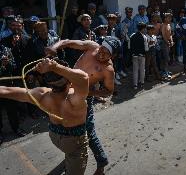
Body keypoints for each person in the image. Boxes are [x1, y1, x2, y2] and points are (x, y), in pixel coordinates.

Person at [0, 58, 89, 175]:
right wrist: (55, 67)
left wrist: (54, 68)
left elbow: (5, 90)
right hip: (74, 142)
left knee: (68, 153)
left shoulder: (41, 94)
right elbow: (84, 77)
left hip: (55, 137)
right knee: (73, 158)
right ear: (70, 81)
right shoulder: (75, 97)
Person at [45, 37, 121, 175]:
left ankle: (102, 162)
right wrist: (54, 47)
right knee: (65, 124)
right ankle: (72, 153)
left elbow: (109, 91)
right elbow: (68, 42)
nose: (101, 54)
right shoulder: (92, 46)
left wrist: (89, 92)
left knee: (89, 132)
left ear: (113, 56)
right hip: (66, 90)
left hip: (84, 98)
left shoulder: (108, 70)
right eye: (101, 49)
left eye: (107, 53)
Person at [0, 44, 25, 145]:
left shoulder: (6, 49)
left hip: (8, 86)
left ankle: (16, 128)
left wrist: (8, 63)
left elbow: (14, 66)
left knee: (12, 110)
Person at [130, 22, 148, 89]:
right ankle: (142, 82)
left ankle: (135, 85)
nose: (145, 30)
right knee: (142, 69)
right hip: (142, 55)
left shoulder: (132, 35)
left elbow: (130, 46)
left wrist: (132, 53)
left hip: (134, 55)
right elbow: (146, 48)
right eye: (145, 28)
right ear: (143, 29)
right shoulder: (144, 37)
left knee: (135, 70)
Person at [161, 13, 174, 78]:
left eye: (170, 18)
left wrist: (171, 41)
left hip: (168, 43)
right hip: (164, 43)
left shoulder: (169, 25)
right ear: (165, 18)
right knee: (166, 58)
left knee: (167, 57)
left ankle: (166, 70)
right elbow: (163, 35)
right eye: (169, 18)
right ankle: (164, 72)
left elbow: (170, 34)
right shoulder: (163, 25)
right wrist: (168, 42)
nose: (170, 19)